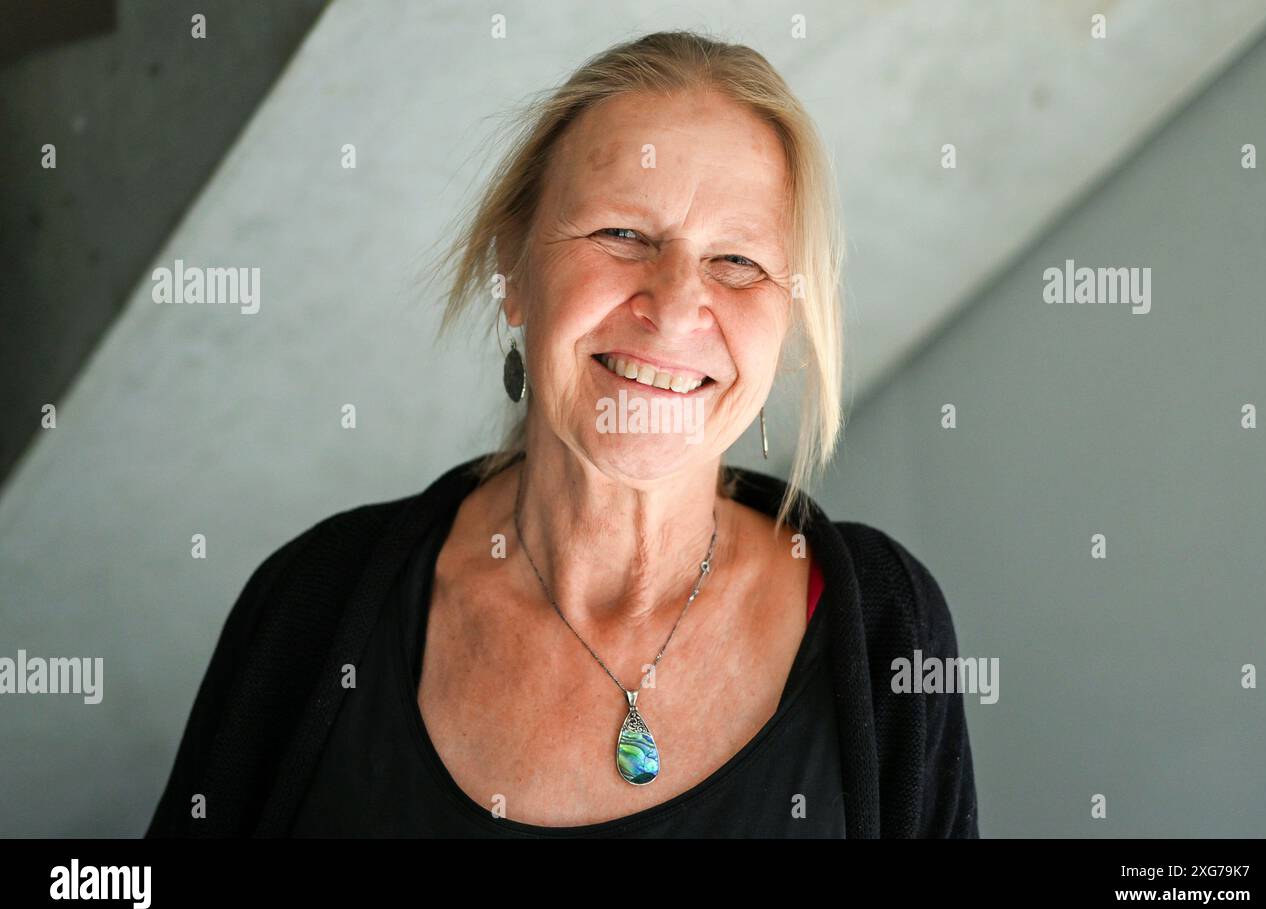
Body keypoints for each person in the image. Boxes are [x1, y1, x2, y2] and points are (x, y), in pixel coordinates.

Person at [146, 29, 977, 839]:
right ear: (514, 272)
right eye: (623, 235)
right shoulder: (318, 601)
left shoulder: (881, 630)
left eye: (738, 262)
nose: (677, 304)